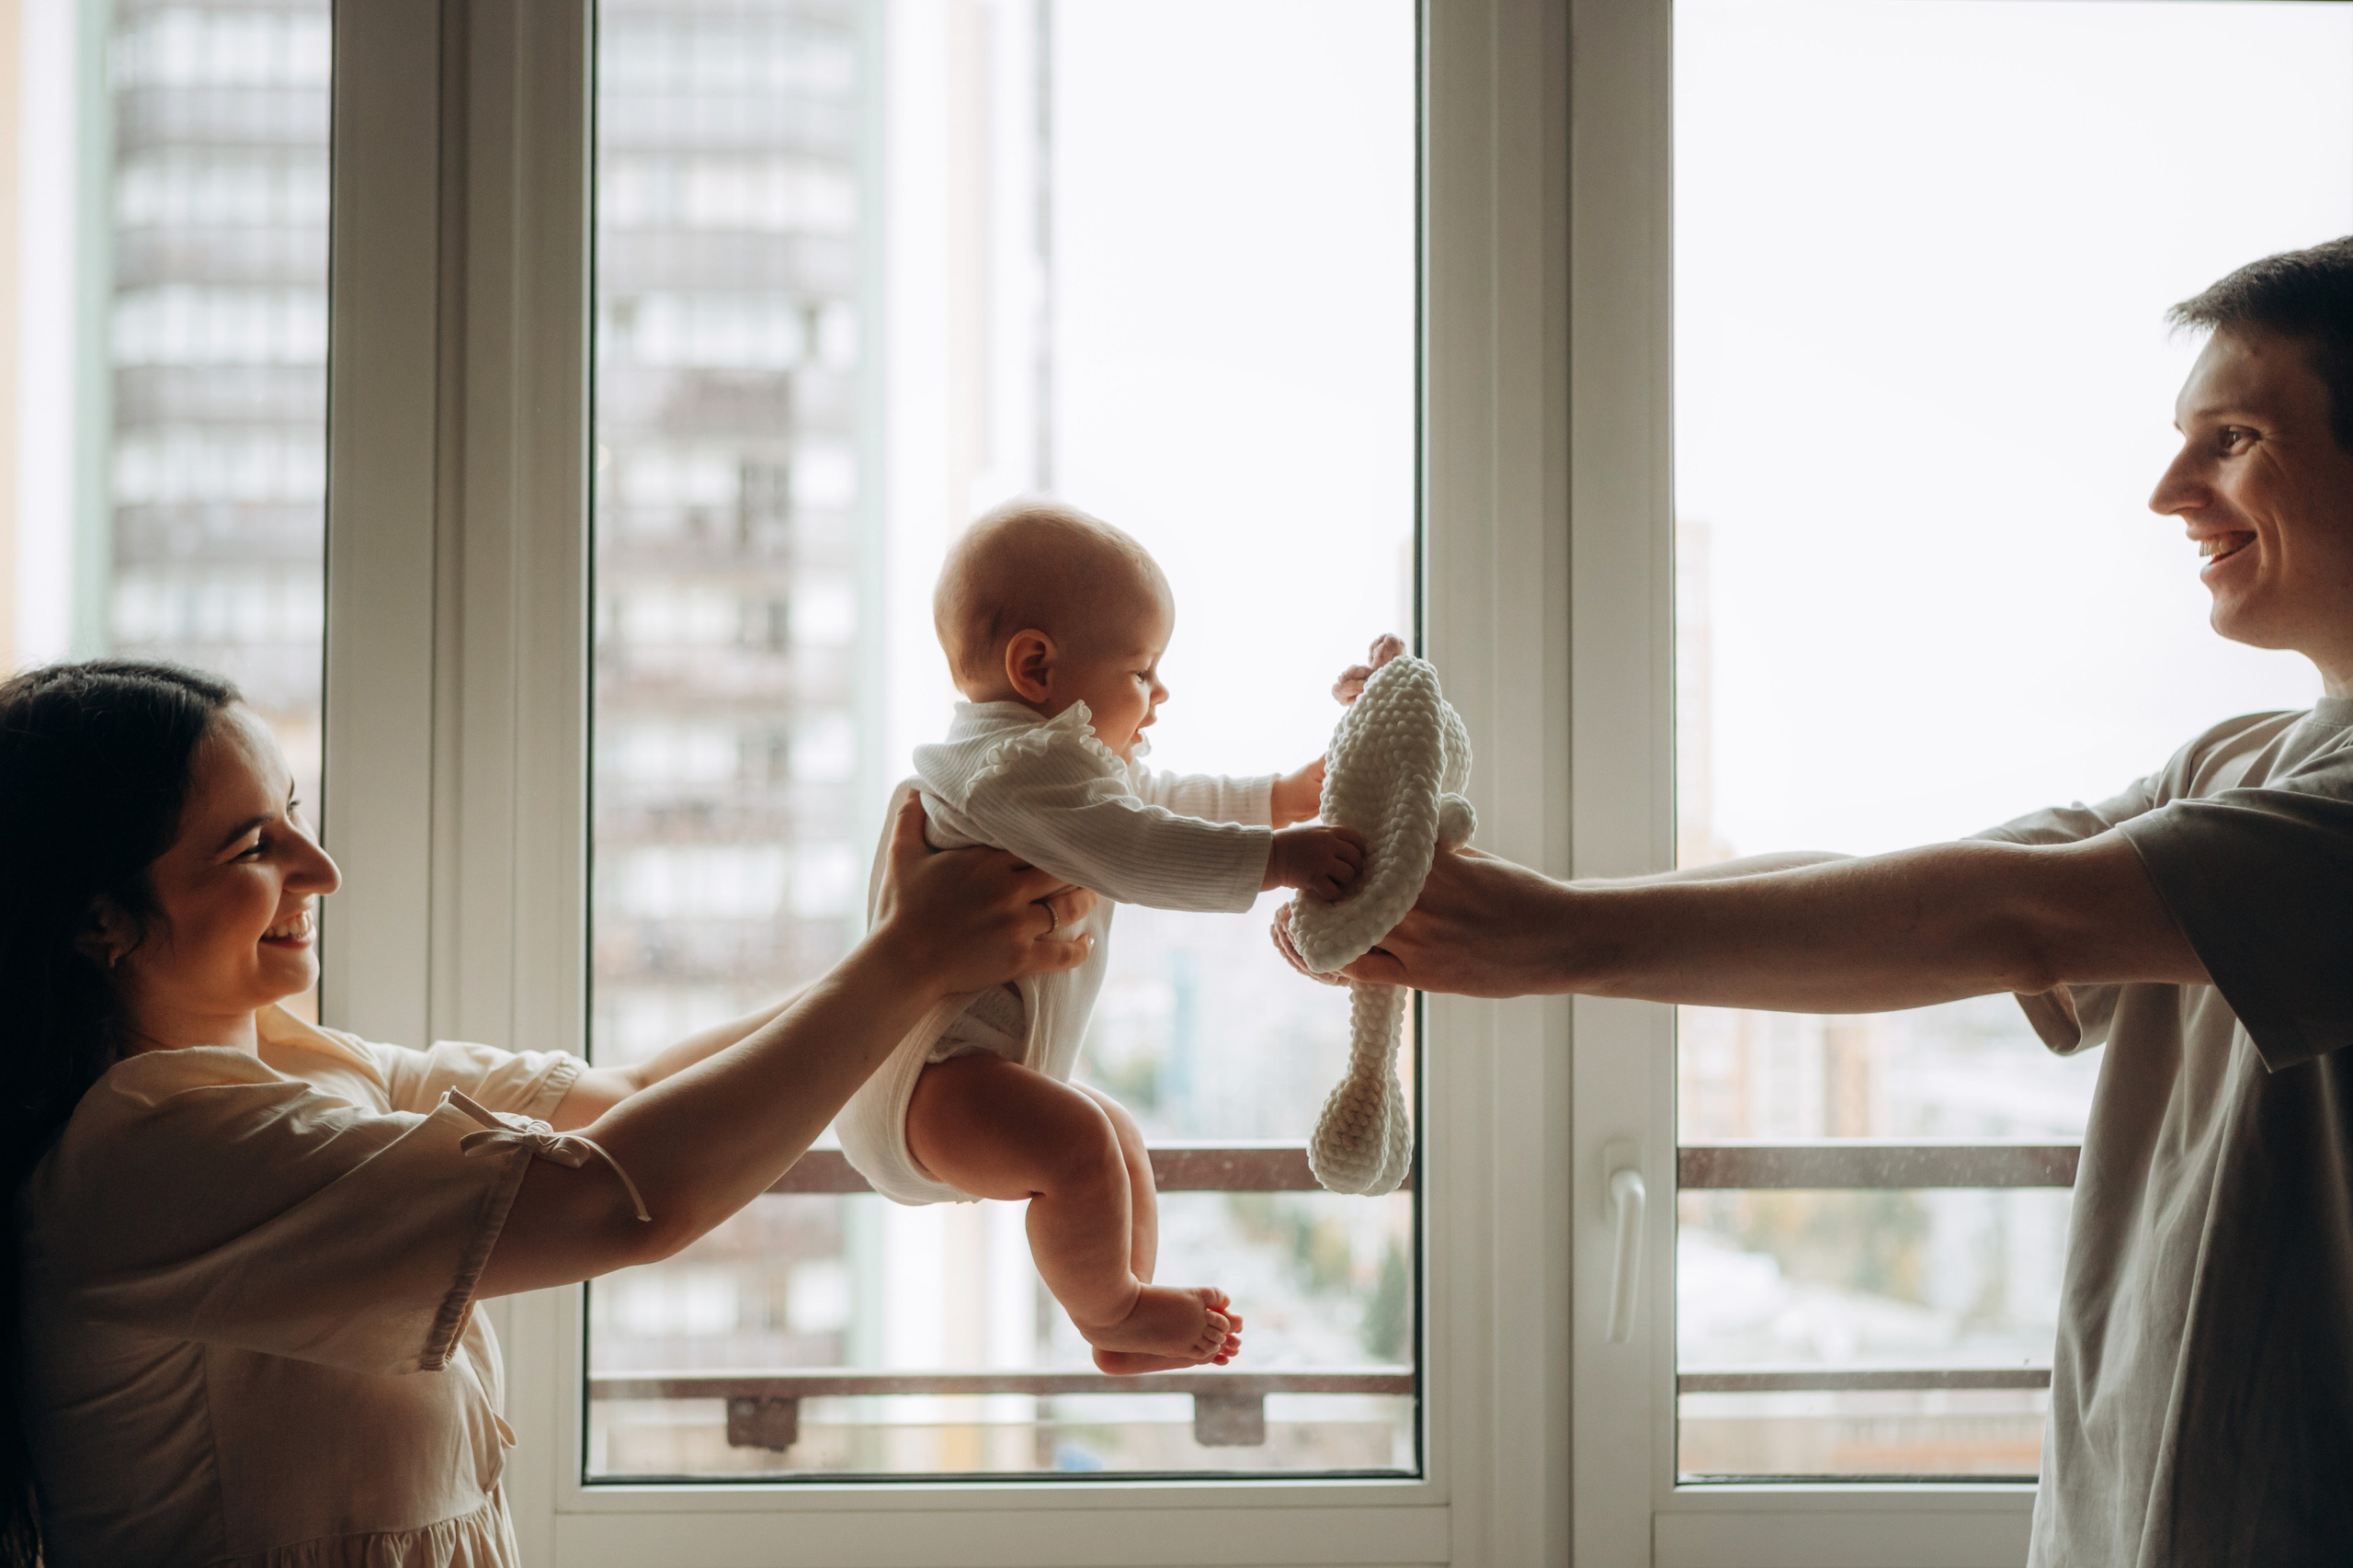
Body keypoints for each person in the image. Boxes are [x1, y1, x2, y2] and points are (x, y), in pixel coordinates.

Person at [1288, 236, 2353, 1564]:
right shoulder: (2239, 761)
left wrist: (1545, 937)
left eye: (2235, 437)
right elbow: (1909, 884)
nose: (2169, 491)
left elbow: (2013, 916)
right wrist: (1516, 904)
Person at [1, 659, 1097, 1568]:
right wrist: (907, 960)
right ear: (102, 918)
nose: (322, 867)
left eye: (295, 816)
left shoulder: (306, 1066)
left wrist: (919, 957)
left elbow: (632, 1099)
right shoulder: (149, 1159)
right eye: (254, 847)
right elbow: (625, 1196)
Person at [835, 500, 1366, 1373]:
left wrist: (1277, 796)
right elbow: (1140, 846)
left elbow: (1153, 801)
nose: (1160, 695)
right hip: (930, 1085)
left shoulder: (1052, 768)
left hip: (967, 1079)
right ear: (1037, 665)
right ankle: (1111, 1310)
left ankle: (1123, 1307)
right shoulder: (1013, 772)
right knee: (1081, 1144)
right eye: (1142, 671)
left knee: (1111, 1135)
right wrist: (1278, 857)